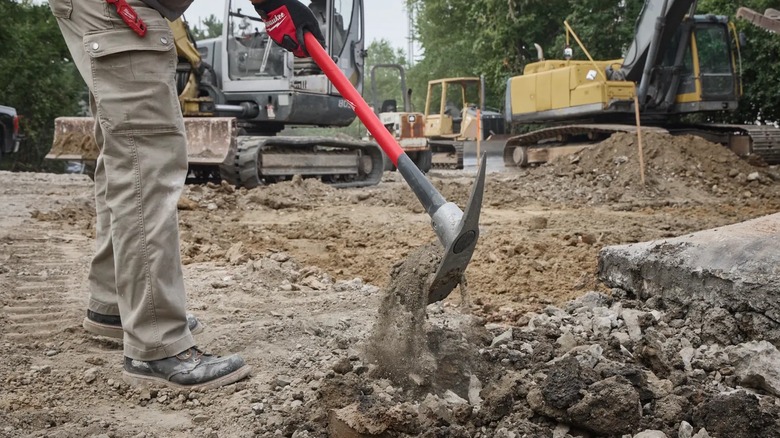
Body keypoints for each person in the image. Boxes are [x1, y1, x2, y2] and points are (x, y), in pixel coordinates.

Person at [47, 0, 321, 390]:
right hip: (118, 7)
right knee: (147, 161)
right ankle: (156, 346)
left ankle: (113, 306)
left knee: (129, 152)